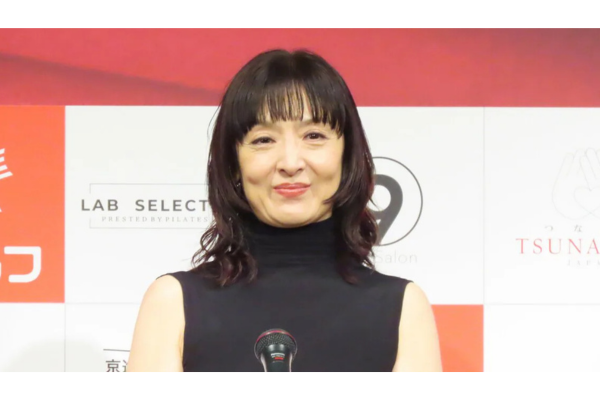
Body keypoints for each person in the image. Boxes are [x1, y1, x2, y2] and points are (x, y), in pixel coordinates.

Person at [127, 49, 442, 372]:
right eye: (264, 140)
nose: (290, 163)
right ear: (233, 164)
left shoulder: (401, 308)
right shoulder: (173, 303)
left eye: (314, 136)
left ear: (347, 156)